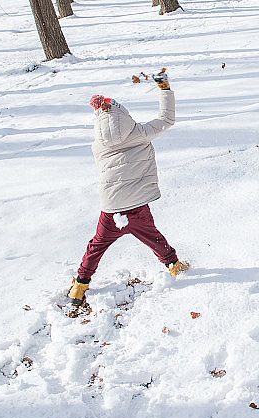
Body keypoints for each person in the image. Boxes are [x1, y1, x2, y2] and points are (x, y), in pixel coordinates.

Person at [67, 70, 189, 309]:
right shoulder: (140, 133)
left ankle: (80, 286)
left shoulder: (98, 145)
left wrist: (104, 108)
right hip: (136, 206)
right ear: (125, 117)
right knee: (154, 238)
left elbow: (107, 118)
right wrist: (164, 89)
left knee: (96, 247)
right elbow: (166, 119)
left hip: (111, 209)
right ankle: (174, 265)